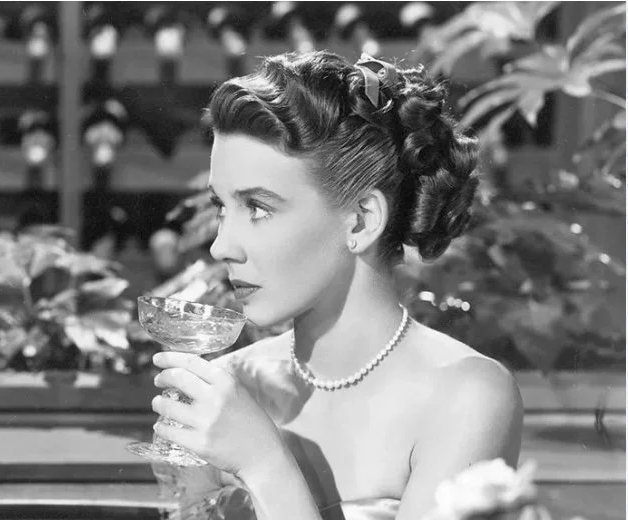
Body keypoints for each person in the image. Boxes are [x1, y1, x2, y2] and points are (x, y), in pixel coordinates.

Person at [147, 51, 523, 519]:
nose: (221, 246)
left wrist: (264, 465)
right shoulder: (229, 387)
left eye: (258, 208)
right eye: (222, 207)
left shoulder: (467, 395)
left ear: (361, 220)